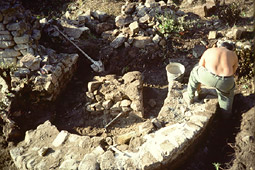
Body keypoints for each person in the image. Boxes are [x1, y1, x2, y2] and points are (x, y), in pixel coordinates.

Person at [183, 42, 239, 118]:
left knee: (194, 73)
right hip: (225, 81)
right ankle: (226, 116)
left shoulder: (210, 50)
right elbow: (233, 71)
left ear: (220, 46)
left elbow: (201, 65)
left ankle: (190, 97)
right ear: (231, 49)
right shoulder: (233, 55)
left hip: (207, 77)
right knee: (227, 96)